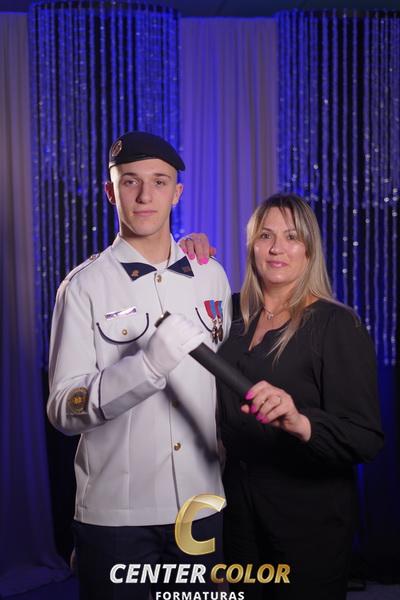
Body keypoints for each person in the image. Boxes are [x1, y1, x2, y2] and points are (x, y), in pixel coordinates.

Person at [47, 131, 232, 600]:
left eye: (159, 182)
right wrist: (146, 367)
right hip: (117, 518)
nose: (145, 195)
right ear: (111, 192)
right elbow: (64, 408)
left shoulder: (210, 275)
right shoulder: (83, 287)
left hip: (201, 506)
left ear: (177, 192)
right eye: (130, 181)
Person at [181, 193, 384, 599]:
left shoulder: (335, 324)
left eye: (291, 237)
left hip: (308, 521)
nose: (276, 248)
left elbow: (366, 438)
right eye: (265, 236)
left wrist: (300, 421)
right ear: (251, 246)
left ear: (309, 249)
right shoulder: (230, 314)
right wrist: (183, 255)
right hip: (237, 513)